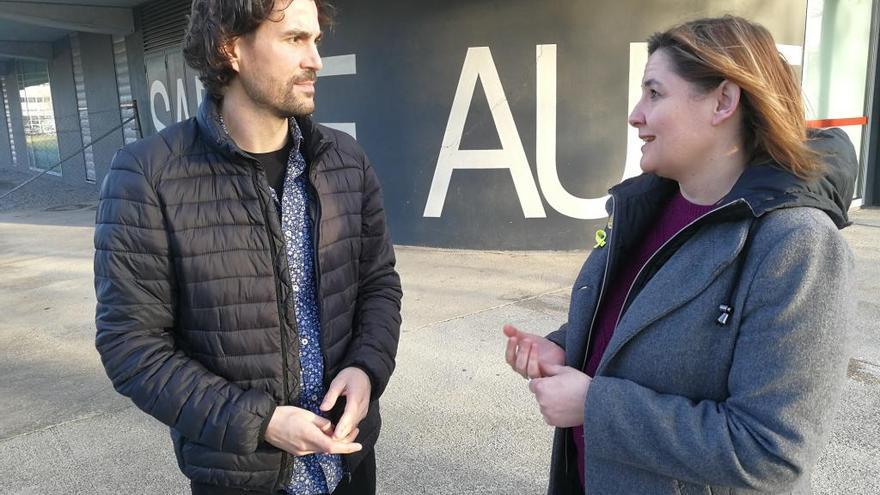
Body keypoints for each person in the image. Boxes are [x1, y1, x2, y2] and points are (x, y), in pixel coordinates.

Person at [503, 15, 857, 495]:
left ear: (723, 102)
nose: (635, 114)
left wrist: (596, 406)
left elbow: (772, 452)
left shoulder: (796, 244)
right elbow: (641, 320)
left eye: (655, 93)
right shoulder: (646, 208)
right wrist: (569, 346)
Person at [94, 0, 402, 493]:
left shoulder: (346, 160)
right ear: (229, 47)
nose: (315, 60)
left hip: (348, 465)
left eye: (315, 40)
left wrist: (367, 369)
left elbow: (378, 284)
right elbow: (131, 346)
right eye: (294, 40)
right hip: (240, 475)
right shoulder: (148, 176)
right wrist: (260, 422)